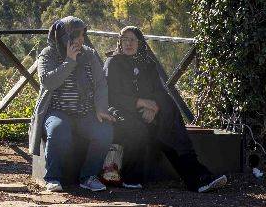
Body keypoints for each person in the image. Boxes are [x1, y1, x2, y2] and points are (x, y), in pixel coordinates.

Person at [104, 26, 228, 193]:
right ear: (119, 42)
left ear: (140, 43)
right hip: (120, 110)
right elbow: (112, 95)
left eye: (132, 40)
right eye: (124, 39)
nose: (128, 43)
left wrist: (154, 107)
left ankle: (198, 179)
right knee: (137, 129)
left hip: (146, 110)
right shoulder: (113, 63)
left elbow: (159, 91)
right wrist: (140, 102)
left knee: (168, 124)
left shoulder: (148, 64)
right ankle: (131, 177)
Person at [30, 17, 115, 193]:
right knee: (58, 130)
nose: (81, 39)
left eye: (83, 34)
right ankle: (52, 178)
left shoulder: (89, 54)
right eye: (76, 35)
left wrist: (100, 108)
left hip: (85, 112)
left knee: (104, 131)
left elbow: (101, 84)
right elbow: (48, 82)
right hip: (57, 111)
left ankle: (88, 176)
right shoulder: (48, 54)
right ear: (63, 36)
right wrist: (69, 61)